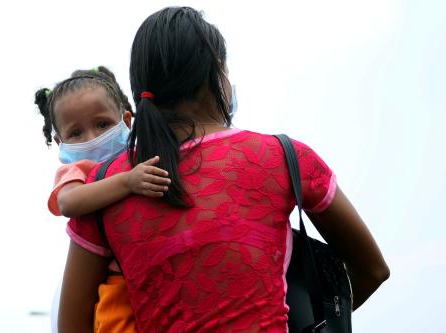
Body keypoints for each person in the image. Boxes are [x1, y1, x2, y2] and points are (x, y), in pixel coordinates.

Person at [59, 7, 390, 333]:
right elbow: (372, 271)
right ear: (216, 73)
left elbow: (72, 326)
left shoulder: (106, 187)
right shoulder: (284, 157)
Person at [35, 66, 171, 332]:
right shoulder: (77, 170)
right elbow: (68, 202)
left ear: (127, 121)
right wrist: (127, 181)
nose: (92, 138)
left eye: (102, 124)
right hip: (116, 281)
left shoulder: (139, 157)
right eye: (76, 133)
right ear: (59, 141)